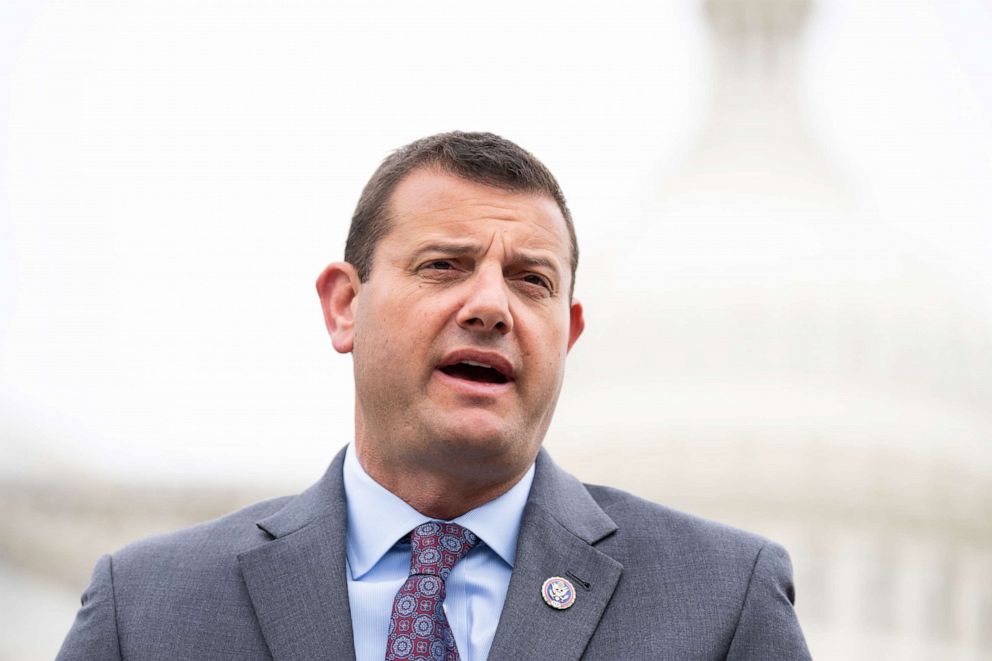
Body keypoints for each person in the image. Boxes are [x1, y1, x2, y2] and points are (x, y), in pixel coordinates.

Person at [57, 132, 812, 660]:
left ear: (569, 333)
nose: (491, 306)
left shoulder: (720, 600)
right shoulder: (151, 608)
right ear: (344, 306)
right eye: (445, 265)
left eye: (532, 280)